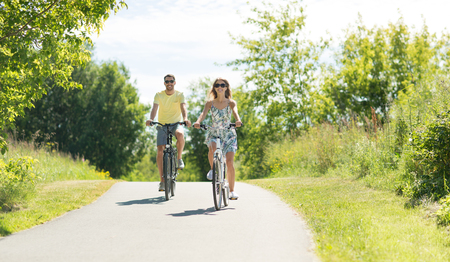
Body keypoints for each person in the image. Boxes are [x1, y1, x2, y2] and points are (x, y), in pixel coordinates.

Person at [193, 77, 242, 200]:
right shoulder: (210, 103)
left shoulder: (231, 102)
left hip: (228, 133)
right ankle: (213, 169)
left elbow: (235, 112)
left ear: (226, 87)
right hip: (214, 132)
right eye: (217, 85)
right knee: (213, 148)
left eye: (222, 85)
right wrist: (198, 122)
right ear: (214, 88)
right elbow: (203, 114)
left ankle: (231, 191)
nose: (220, 86)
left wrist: (238, 120)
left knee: (229, 163)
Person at [146, 74, 191, 192]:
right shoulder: (159, 95)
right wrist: (151, 119)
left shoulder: (179, 95)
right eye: (167, 81)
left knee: (180, 135)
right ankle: (162, 181)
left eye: (171, 81)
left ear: (175, 82)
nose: (169, 83)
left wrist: (185, 118)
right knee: (160, 151)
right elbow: (154, 108)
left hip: (176, 123)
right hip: (162, 125)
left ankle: (179, 159)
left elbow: (183, 107)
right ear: (164, 83)